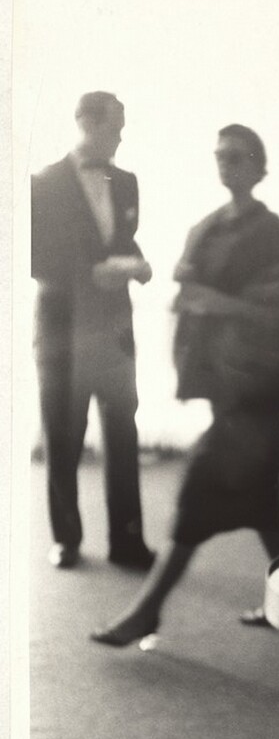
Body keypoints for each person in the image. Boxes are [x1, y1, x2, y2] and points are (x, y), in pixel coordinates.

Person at [91, 124, 279, 647]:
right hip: (226, 381)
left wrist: (223, 307)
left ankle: (146, 611)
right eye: (220, 155)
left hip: (255, 383)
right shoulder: (209, 224)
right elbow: (190, 288)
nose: (227, 163)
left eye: (238, 157)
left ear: (259, 168)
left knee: (199, 494)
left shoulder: (272, 231)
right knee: (266, 507)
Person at [31, 91, 155, 571]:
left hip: (114, 331)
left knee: (122, 433)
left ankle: (128, 539)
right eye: (115, 127)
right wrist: (91, 275)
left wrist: (137, 265)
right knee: (64, 436)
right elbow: (32, 257)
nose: (121, 136)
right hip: (62, 330)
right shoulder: (42, 183)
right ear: (86, 123)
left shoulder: (127, 182)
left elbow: (123, 242)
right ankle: (67, 538)